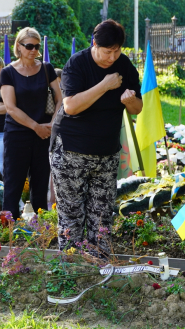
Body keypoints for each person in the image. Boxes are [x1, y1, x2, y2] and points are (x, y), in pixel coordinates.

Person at [50, 20, 142, 255]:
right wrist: (104, 85)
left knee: (102, 217)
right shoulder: (77, 63)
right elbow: (70, 106)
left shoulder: (125, 65)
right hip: (71, 150)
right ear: (94, 44)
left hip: (107, 154)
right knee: (71, 216)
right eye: (107, 51)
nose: (112, 57)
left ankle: (99, 270)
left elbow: (137, 108)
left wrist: (130, 100)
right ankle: (69, 271)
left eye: (117, 51)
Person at [0, 27, 62, 218]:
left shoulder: (46, 69)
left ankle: (40, 232)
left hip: (44, 133)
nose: (33, 50)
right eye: (29, 46)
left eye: (36, 47)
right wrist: (36, 127)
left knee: (41, 184)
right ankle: (8, 233)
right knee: (13, 184)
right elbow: (10, 107)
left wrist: (52, 124)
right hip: (18, 134)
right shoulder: (8, 72)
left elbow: (61, 99)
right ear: (18, 46)